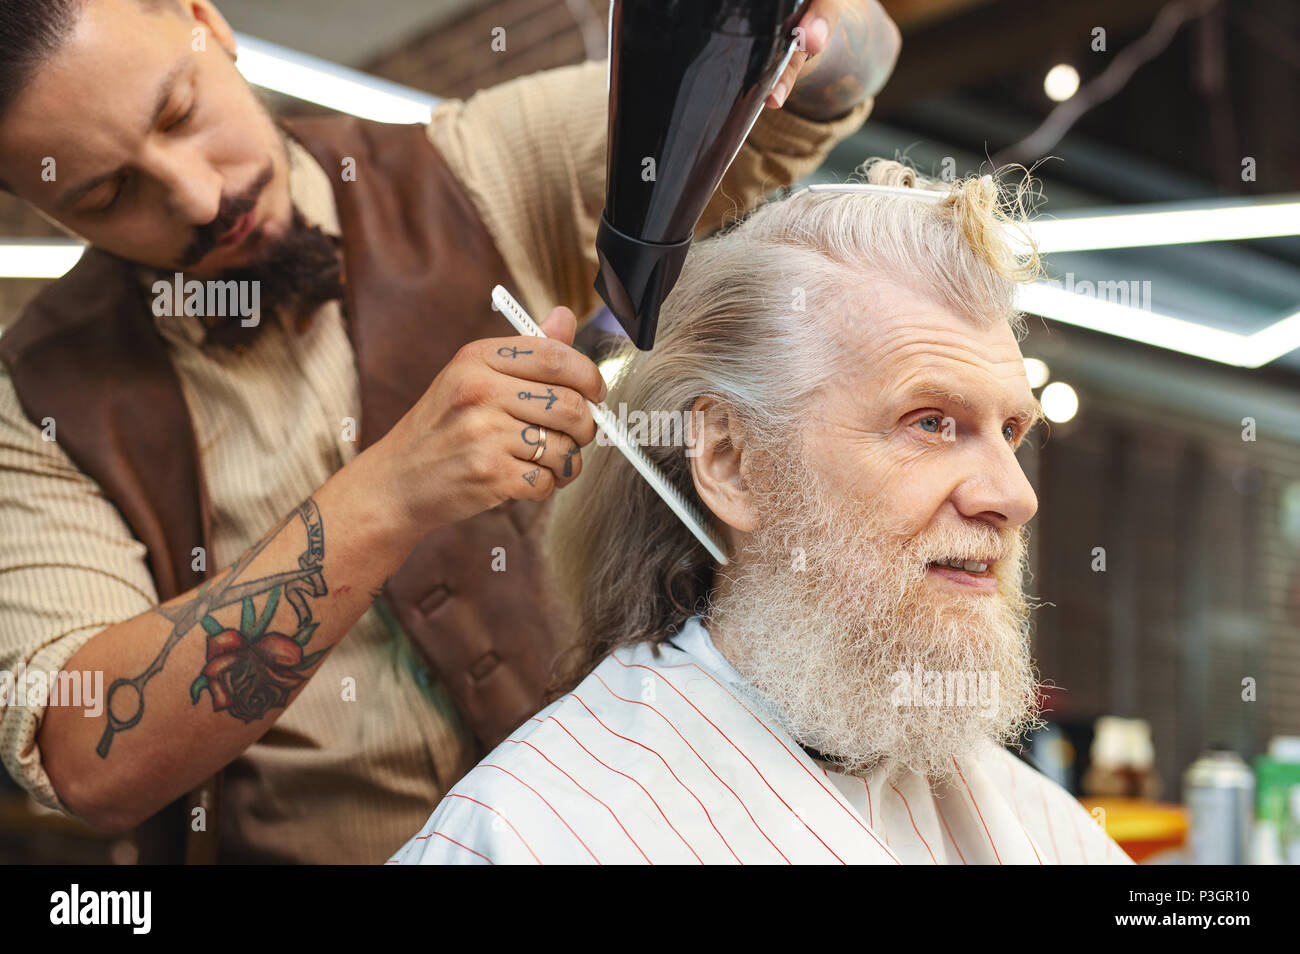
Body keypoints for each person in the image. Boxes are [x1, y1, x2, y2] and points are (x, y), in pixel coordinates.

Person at [0, 0, 901, 862]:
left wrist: (814, 33)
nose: (198, 197)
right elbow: (87, 758)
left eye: (179, 111)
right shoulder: (34, 397)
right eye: (110, 193)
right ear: (45, 206)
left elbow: (821, 96)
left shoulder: (477, 165)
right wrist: (388, 493)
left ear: (207, 25)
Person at [392, 162, 1134, 864]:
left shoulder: (1041, 827)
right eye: (930, 422)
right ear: (730, 462)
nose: (1014, 497)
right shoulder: (530, 834)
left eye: (1010, 432)